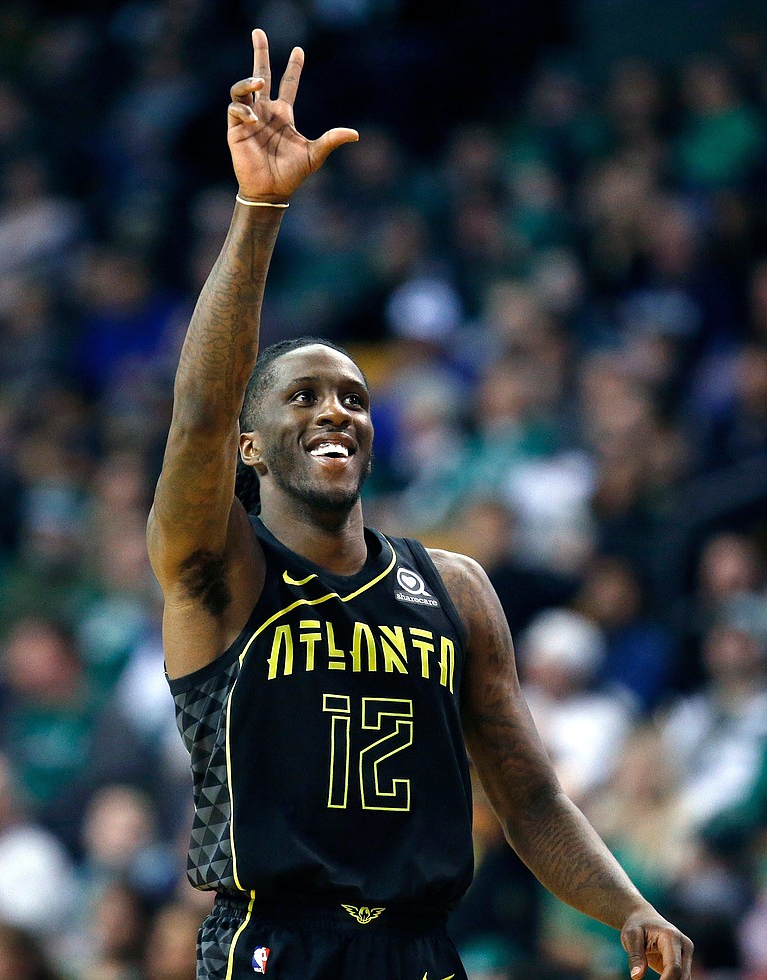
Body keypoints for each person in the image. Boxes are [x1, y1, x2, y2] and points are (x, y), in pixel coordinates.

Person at [147, 28, 694, 980]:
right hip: (273, 941)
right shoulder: (219, 572)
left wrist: (629, 906)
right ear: (250, 447)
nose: (336, 411)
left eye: (355, 397)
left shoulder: (458, 589)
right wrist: (259, 210)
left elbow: (528, 799)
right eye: (305, 396)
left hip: (422, 948)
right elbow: (196, 416)